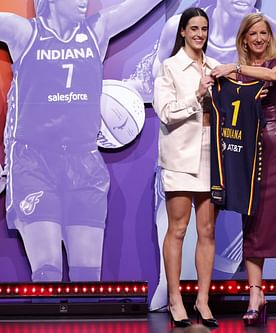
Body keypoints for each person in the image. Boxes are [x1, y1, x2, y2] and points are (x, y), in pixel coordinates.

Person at [0, 0, 163, 282]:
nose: (82, 1)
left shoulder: (98, 29)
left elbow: (142, 4)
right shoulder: (23, 32)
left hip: (84, 160)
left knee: (88, 279)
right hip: (34, 161)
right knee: (47, 271)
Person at [211, 13, 276, 327]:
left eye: (263, 33)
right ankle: (255, 295)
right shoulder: (236, 77)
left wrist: (232, 68)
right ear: (244, 39)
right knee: (253, 221)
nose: (259, 38)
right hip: (248, 150)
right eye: (253, 34)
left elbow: (273, 78)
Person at [154, 0, 276, 140]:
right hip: (185, 155)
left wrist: (261, 147)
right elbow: (161, 94)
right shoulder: (177, 28)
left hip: (239, 161)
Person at [153, 7, 219, 328]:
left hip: (211, 157)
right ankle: (175, 299)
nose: (199, 34)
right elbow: (165, 112)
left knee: (207, 231)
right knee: (178, 230)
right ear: (182, 32)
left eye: (204, 29)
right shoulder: (169, 68)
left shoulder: (216, 67)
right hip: (181, 158)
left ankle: (203, 301)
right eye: (193, 28)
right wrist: (197, 96)